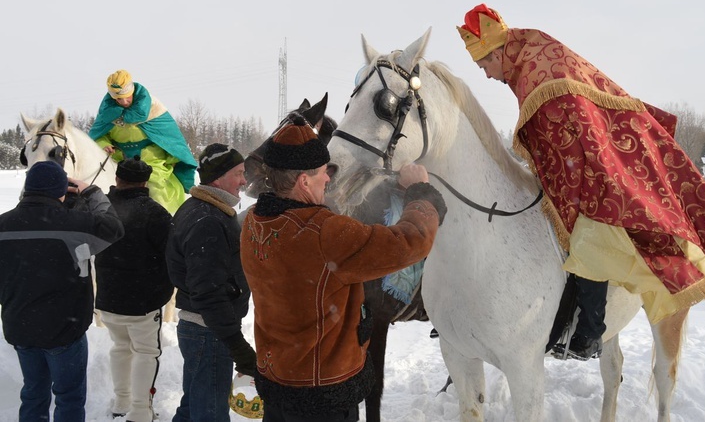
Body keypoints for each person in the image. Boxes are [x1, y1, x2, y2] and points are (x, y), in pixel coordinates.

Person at [457, 4, 705, 363]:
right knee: (658, 242)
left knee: (593, 239)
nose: (486, 75)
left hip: (602, 169)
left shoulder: (538, 74)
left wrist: (561, 193)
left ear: (498, 50)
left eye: (484, 64)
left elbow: (564, 141)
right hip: (609, 161)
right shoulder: (536, 54)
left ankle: (589, 333)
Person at [241, 116, 447, 422]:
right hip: (324, 397)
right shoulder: (325, 233)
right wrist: (420, 193)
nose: (328, 179)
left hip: (278, 383)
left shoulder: (254, 222)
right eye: (324, 173)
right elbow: (410, 242)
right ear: (303, 181)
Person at [0, 161, 124, 421]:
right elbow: (114, 227)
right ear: (61, 190)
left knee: (33, 394)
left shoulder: (3, 224)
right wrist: (91, 192)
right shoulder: (75, 225)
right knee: (69, 398)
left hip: (21, 328)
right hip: (64, 331)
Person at [166, 143, 255, 422]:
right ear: (218, 177)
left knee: (194, 406)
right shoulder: (208, 220)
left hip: (201, 329)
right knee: (210, 414)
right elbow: (208, 291)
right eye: (239, 173)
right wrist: (235, 343)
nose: (244, 181)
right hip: (209, 332)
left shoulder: (200, 208)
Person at [94, 156, 174, 421]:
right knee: (145, 353)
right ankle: (140, 411)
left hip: (107, 297)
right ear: (145, 181)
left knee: (120, 347)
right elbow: (171, 253)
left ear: (117, 179)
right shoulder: (154, 212)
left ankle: (121, 402)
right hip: (143, 302)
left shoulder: (102, 209)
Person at [89, 69, 197, 214]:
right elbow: (99, 133)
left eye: (127, 97)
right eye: (118, 99)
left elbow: (170, 138)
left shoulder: (154, 109)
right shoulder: (108, 113)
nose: (124, 102)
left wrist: (172, 158)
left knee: (157, 190)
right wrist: (104, 144)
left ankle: (165, 220)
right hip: (118, 160)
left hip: (152, 161)